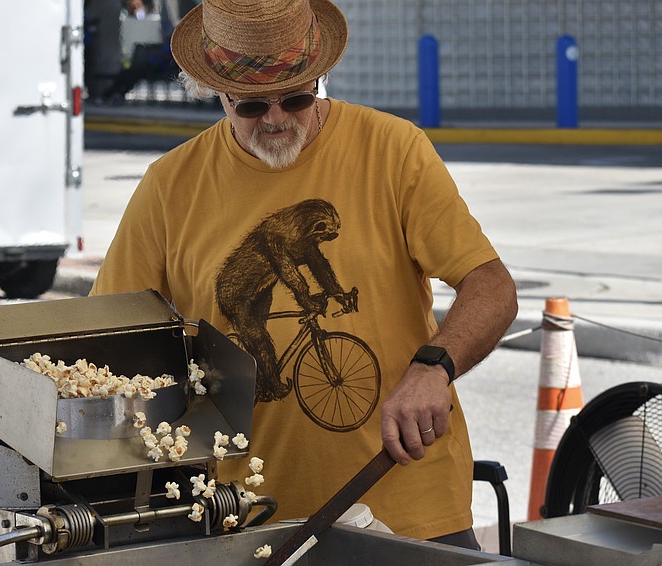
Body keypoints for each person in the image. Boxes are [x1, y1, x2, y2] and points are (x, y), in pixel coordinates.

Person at [91, 0, 518, 550]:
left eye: (295, 98)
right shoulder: (170, 185)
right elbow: (111, 334)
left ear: (319, 78)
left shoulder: (392, 150)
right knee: (260, 347)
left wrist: (433, 368)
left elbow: (491, 286)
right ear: (214, 92)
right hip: (249, 521)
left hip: (409, 509)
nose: (275, 119)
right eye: (249, 106)